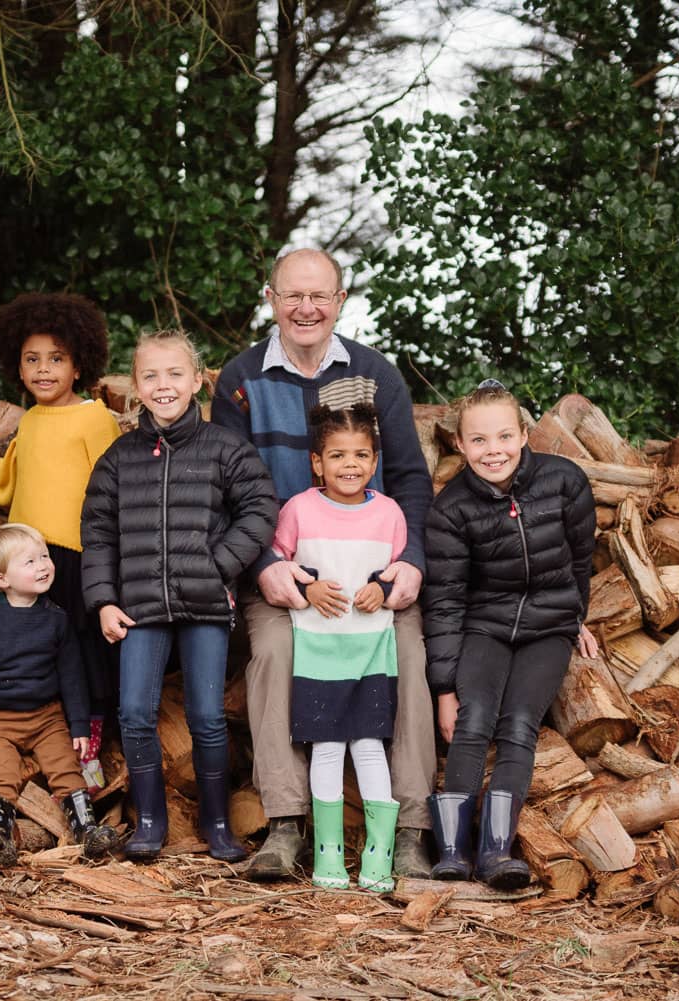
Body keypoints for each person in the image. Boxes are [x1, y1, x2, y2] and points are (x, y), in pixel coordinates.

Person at [212, 249, 437, 879]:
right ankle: (286, 826)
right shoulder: (241, 379)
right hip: (284, 567)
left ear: (340, 301)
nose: (306, 309)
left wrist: (410, 561)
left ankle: (413, 830)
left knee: (412, 655)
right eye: (292, 296)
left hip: (372, 568)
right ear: (270, 298)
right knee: (275, 654)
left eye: (320, 296)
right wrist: (262, 565)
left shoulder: (375, 375)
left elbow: (413, 483)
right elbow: (224, 488)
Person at [81, 329, 278, 862]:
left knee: (209, 716)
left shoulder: (225, 448)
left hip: (206, 604)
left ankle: (217, 823)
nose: (162, 385)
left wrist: (217, 566)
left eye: (174, 374)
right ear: (135, 388)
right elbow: (97, 532)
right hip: (140, 606)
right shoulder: (119, 458)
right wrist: (103, 600)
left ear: (197, 381)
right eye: (150, 376)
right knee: (135, 712)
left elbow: (260, 510)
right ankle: (149, 822)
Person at [0, 292, 120, 791]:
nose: (44, 370)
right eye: (32, 360)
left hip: (74, 551)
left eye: (56, 359)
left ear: (79, 363)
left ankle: (90, 738)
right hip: (22, 549)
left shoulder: (94, 417)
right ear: (16, 367)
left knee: (81, 643)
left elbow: (112, 483)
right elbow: (6, 483)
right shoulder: (30, 420)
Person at [424, 379, 598, 889]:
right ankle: (453, 850)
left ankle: (496, 850)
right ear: (460, 444)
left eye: (503, 436)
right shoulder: (451, 510)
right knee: (474, 718)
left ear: (524, 434)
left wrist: (576, 618)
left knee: (520, 720)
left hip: (548, 624)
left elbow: (581, 560)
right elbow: (446, 601)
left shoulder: (565, 482)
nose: (492, 450)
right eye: (478, 440)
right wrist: (443, 688)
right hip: (486, 623)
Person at [272, 404, 406, 893]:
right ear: (316, 462)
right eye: (337, 455)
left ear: (374, 462)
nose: (349, 464)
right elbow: (278, 562)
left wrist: (385, 591)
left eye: (361, 455)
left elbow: (400, 571)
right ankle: (328, 855)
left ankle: (378, 854)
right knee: (326, 748)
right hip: (319, 648)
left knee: (370, 746)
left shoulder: (389, 512)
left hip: (371, 648)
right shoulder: (299, 509)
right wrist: (306, 588)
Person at [0, 523, 119, 866]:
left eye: (44, 557)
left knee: (66, 768)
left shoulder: (57, 619)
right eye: (29, 562)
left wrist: (78, 727)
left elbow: (72, 677)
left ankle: (86, 829)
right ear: (2, 579)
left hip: (47, 717)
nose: (43, 565)